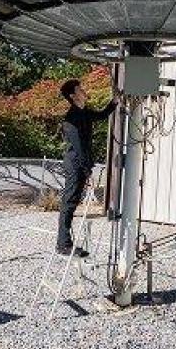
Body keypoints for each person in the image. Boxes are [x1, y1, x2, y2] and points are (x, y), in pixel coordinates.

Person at [56, 79, 118, 257]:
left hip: (81, 164)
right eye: (80, 89)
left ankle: (66, 242)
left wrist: (114, 102)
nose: (84, 91)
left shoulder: (84, 112)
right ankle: (63, 244)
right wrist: (86, 169)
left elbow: (101, 115)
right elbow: (78, 147)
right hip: (75, 164)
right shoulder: (71, 119)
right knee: (69, 201)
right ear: (73, 96)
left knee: (72, 201)